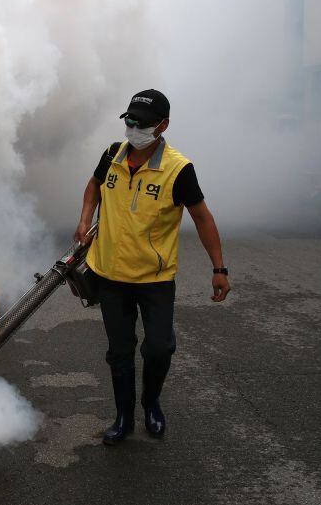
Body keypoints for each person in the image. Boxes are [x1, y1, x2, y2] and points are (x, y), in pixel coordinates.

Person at [74, 89, 230, 445]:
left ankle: (151, 403)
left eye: (142, 124)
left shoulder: (178, 169)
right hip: (110, 274)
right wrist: (84, 220)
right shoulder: (112, 155)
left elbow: (203, 219)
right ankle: (124, 417)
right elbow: (94, 186)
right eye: (129, 121)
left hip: (154, 279)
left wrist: (219, 269)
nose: (133, 129)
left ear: (163, 125)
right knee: (119, 351)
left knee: (160, 348)